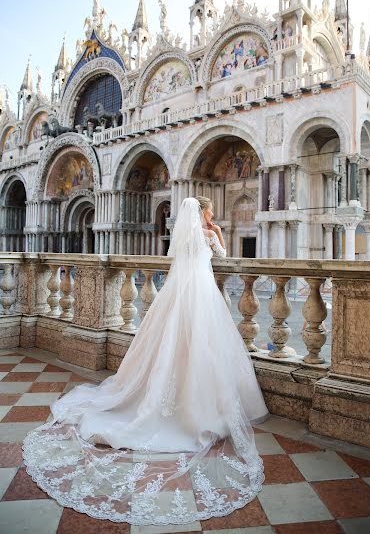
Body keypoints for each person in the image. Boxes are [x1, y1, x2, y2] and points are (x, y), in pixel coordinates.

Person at [23, 196, 268, 526]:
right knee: (201, 345)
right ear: (204, 213)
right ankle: (198, 404)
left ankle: (174, 397)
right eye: (209, 211)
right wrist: (219, 232)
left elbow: (173, 258)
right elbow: (222, 256)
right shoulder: (208, 234)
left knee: (171, 344)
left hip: (180, 292)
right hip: (203, 295)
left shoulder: (183, 238)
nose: (211, 215)